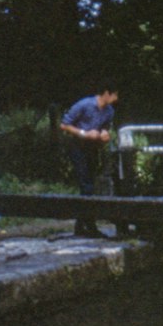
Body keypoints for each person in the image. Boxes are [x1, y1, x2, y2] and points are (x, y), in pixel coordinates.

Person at [60, 87, 119, 237]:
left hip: (93, 149)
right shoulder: (84, 105)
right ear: (106, 93)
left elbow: (105, 127)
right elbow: (64, 125)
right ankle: (89, 226)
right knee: (86, 184)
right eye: (115, 95)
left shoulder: (109, 111)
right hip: (77, 146)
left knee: (90, 184)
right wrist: (84, 133)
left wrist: (105, 133)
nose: (116, 99)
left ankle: (81, 225)